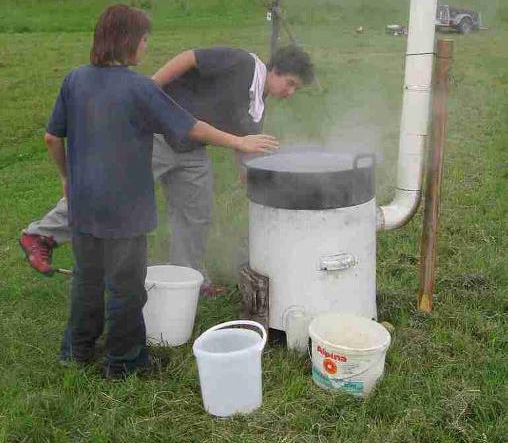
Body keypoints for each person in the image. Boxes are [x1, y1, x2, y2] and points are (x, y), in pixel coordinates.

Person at [46, 4, 278, 378]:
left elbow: (51, 137)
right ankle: (124, 362)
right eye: (144, 40)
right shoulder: (141, 88)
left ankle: (76, 351)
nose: (147, 46)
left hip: (84, 204)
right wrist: (240, 141)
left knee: (88, 279)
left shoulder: (75, 79)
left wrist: (66, 177)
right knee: (126, 288)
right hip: (126, 210)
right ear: (130, 42)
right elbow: (191, 127)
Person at [20, 41, 315, 292]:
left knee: (196, 214)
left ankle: (189, 280)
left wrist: (247, 175)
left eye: (296, 89)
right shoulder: (241, 63)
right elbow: (190, 58)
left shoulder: (257, 104)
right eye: (290, 83)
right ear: (275, 69)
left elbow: (244, 143)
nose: (290, 92)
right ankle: (41, 234)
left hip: (192, 149)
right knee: (111, 190)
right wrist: (148, 91)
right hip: (156, 136)